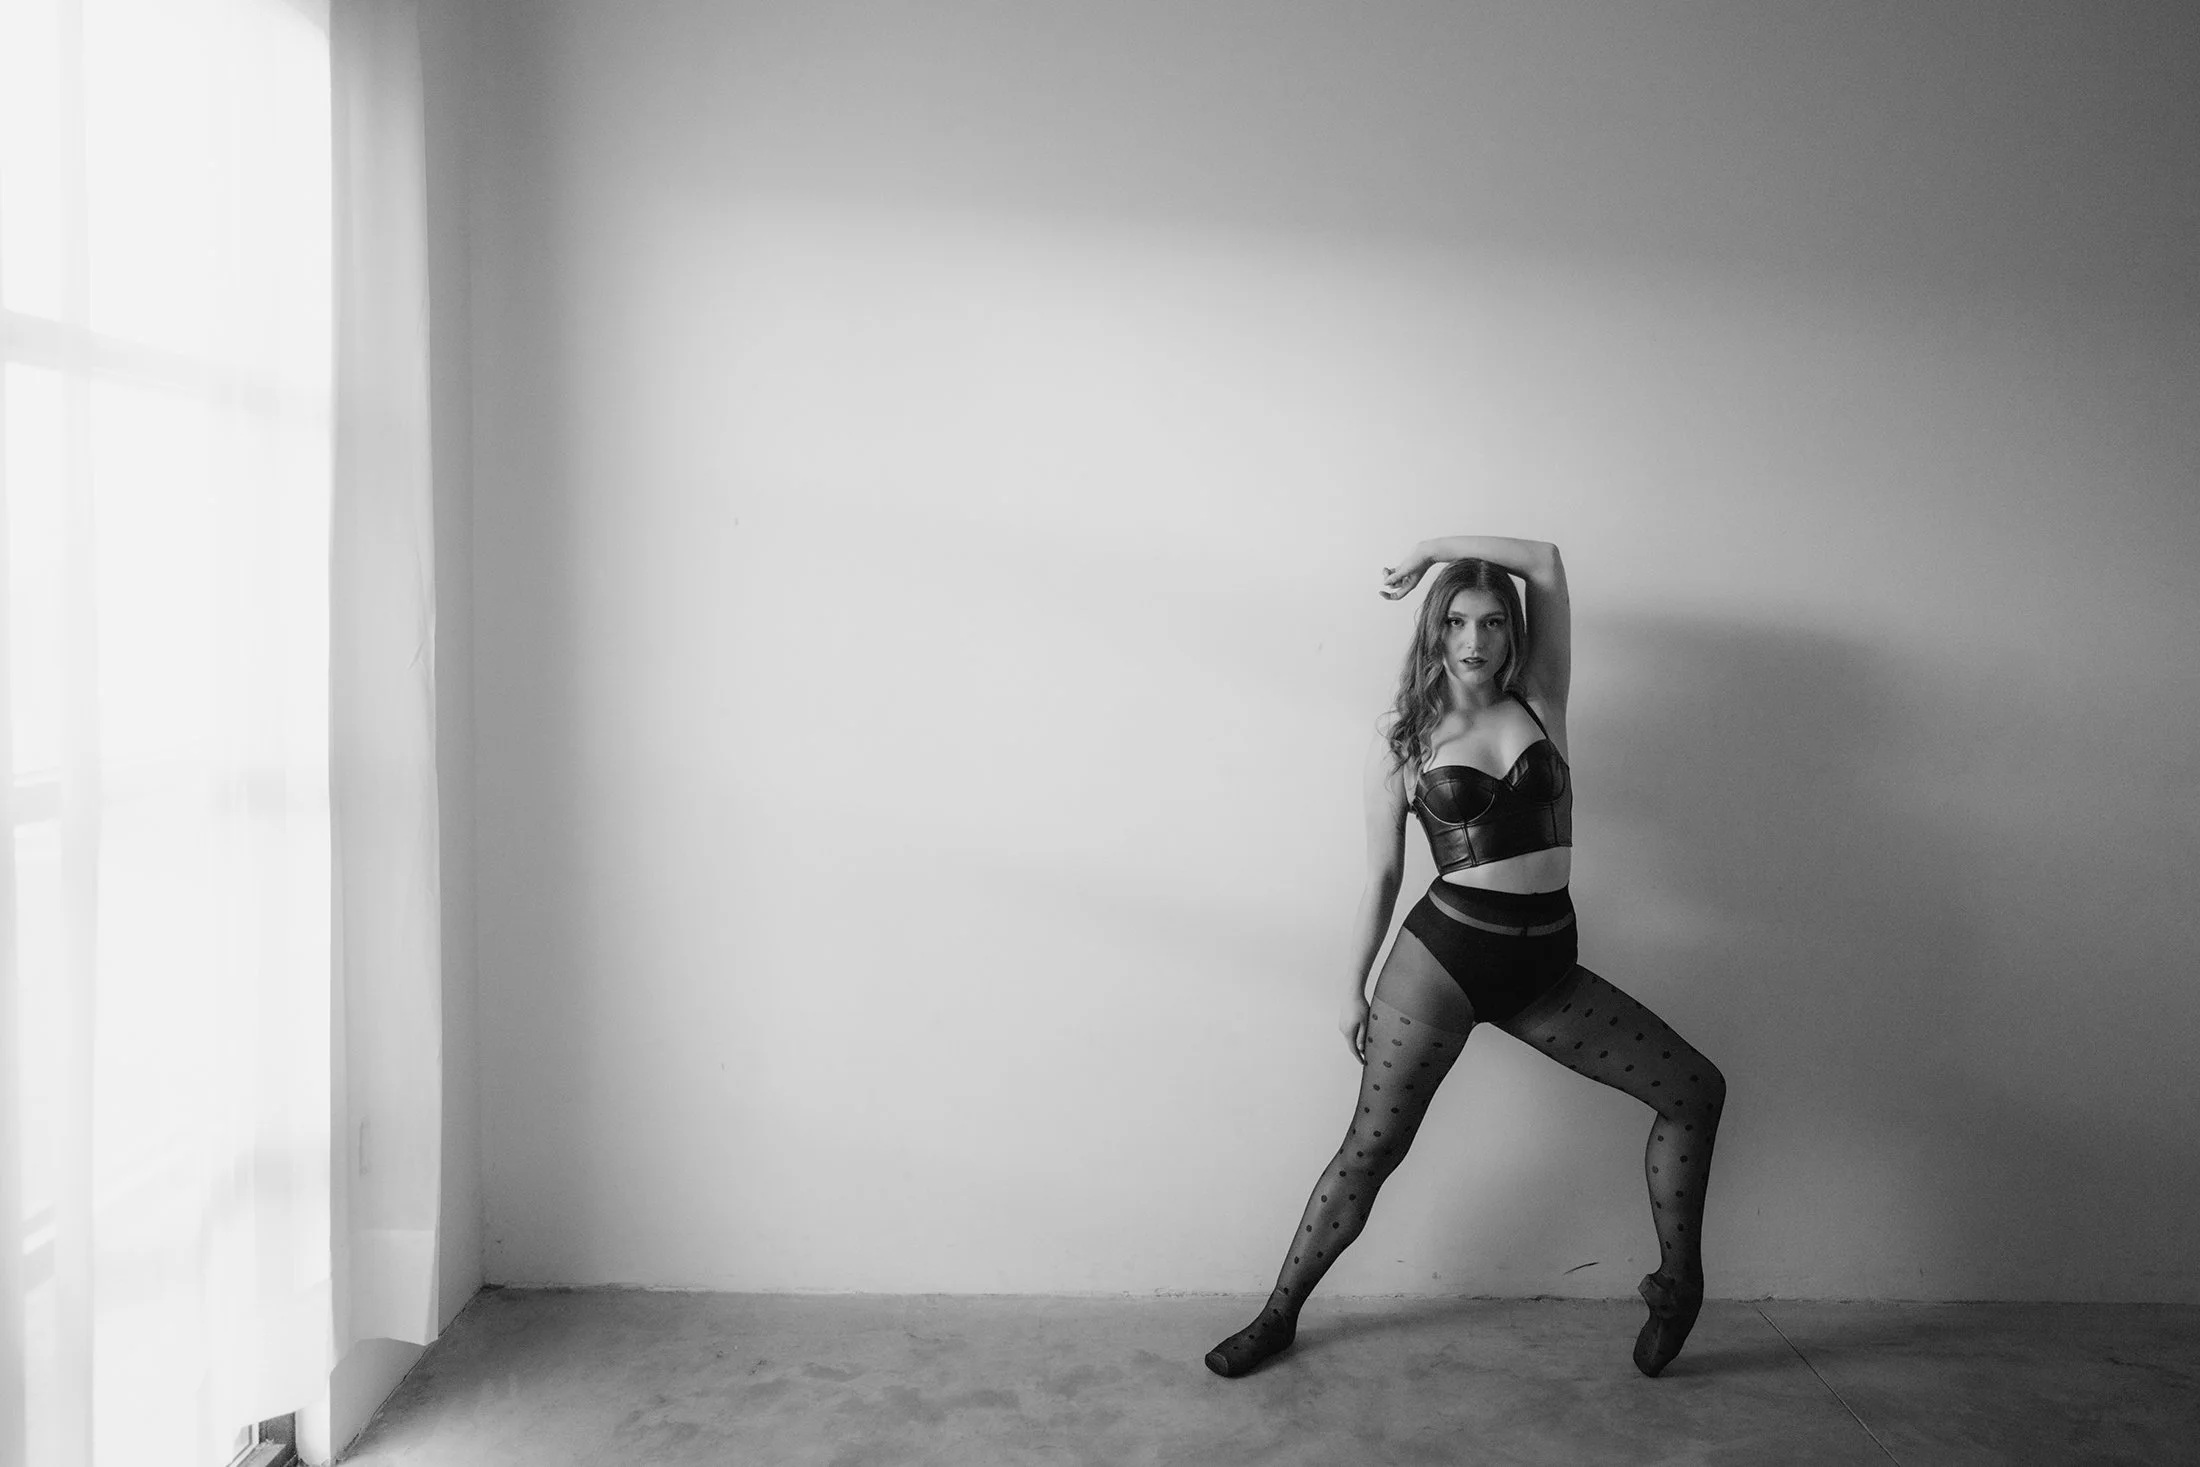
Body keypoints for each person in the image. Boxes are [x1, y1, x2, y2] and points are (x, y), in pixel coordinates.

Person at [1204, 536, 1727, 1380]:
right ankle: (1276, 1317)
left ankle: (1678, 1288)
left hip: (1545, 970)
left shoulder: (1541, 699)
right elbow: (1382, 874)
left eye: (1490, 621)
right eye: (1454, 621)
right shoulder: (1403, 736)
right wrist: (1351, 988)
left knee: (1695, 1091)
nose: (1473, 639)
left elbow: (1545, 562)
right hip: (1440, 964)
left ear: (1512, 631)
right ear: (1434, 632)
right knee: (1372, 1149)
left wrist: (1435, 549)